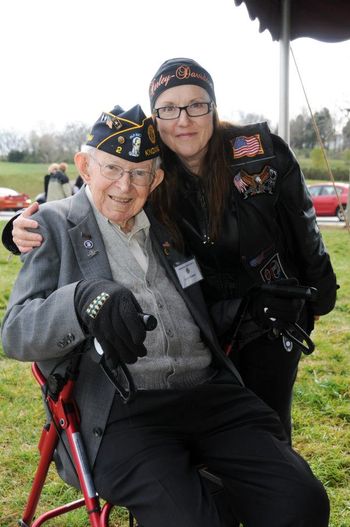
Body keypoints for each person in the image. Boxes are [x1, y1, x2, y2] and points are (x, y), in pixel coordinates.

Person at [1, 104, 330, 527]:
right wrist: (80, 301)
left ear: (156, 179)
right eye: (113, 169)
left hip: (210, 395)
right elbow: (15, 332)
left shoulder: (169, 222)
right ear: (84, 166)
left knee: (301, 502)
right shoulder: (52, 225)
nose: (125, 185)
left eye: (140, 173)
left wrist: (253, 304)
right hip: (125, 410)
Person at [9, 58, 338, 442]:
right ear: (156, 117)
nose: (183, 120)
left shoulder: (261, 151)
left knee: (266, 425)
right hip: (208, 318)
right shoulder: (152, 170)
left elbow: (304, 227)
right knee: (214, 429)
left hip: (272, 312)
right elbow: (98, 199)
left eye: (196, 104)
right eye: (168, 108)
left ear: (213, 108)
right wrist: (17, 229)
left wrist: (318, 298)